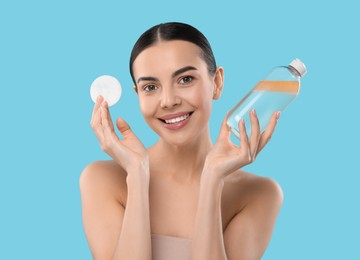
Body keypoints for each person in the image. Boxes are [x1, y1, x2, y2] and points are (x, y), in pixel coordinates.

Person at [80, 22, 283, 260]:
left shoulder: (258, 194)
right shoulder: (103, 179)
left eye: (185, 79)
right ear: (137, 95)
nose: (168, 101)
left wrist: (212, 179)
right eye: (151, 87)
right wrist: (136, 175)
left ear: (216, 83)